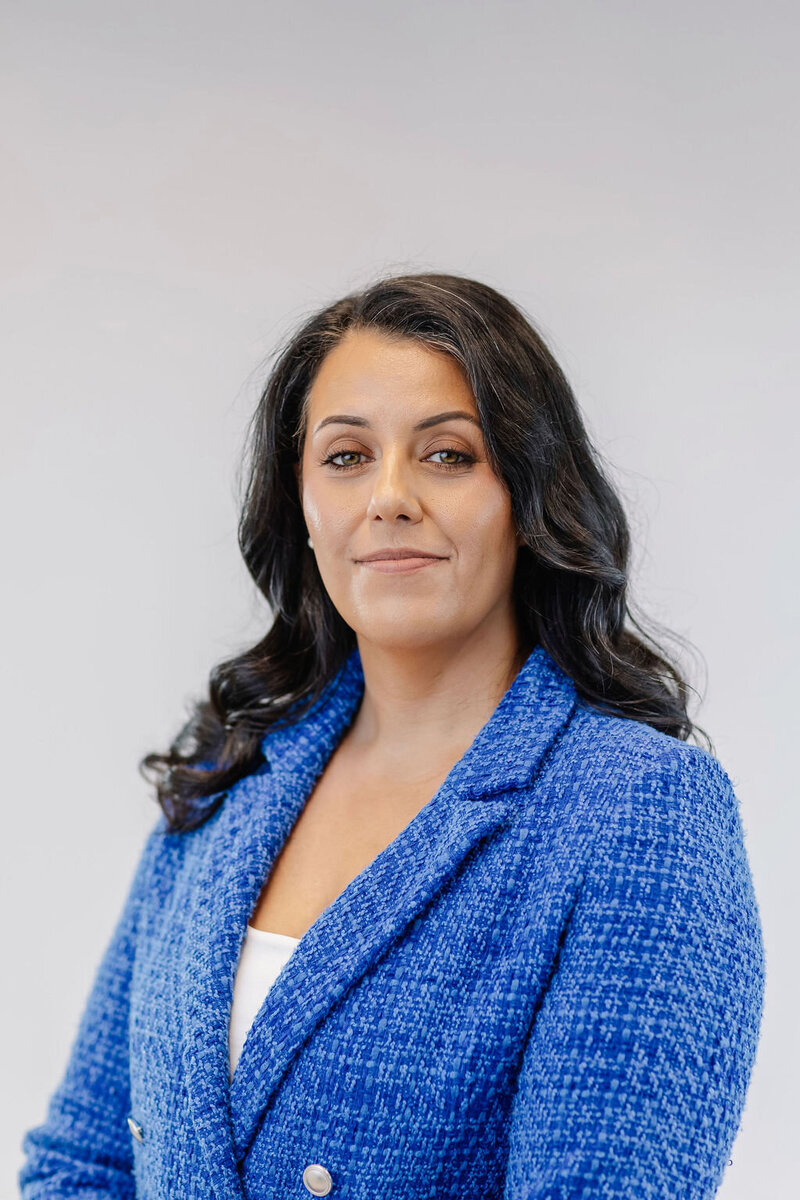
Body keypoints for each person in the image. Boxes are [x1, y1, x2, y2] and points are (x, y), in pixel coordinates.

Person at [19, 273, 765, 1200]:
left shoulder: (639, 810)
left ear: (528, 496)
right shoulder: (230, 765)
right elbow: (84, 1164)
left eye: (449, 454)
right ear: (300, 503)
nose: (390, 497)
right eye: (345, 457)